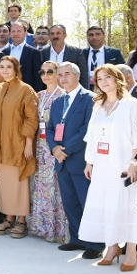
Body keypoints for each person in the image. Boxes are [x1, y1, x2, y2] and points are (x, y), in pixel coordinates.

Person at [78, 64, 137, 271]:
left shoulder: (131, 104)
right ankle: (112, 247)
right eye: (99, 79)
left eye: (107, 77)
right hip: (101, 165)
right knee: (106, 206)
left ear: (117, 79)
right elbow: (91, 136)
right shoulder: (98, 105)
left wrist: (133, 163)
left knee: (127, 207)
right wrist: (90, 162)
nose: (103, 82)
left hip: (122, 164)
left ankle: (132, 251)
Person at [46, 62, 102, 259]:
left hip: (80, 160)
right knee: (69, 201)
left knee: (86, 201)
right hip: (61, 161)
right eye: (59, 74)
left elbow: (87, 129)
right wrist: (54, 149)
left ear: (78, 76)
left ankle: (94, 244)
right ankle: (77, 239)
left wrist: (65, 150)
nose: (63, 78)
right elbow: (50, 127)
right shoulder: (58, 101)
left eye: (67, 74)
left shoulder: (90, 99)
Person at [0, 56, 39, 239]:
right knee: (4, 185)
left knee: (19, 183)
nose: (4, 70)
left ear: (16, 69)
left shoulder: (25, 90)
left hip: (17, 144)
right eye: (1, 67)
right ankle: (8, 218)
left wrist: (28, 143)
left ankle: (21, 221)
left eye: (8, 67)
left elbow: (31, 119)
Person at [28, 61, 69, 243]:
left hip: (56, 146)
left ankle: (60, 230)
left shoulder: (64, 95)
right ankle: (43, 227)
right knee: (42, 186)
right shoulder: (39, 95)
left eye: (50, 71)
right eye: (42, 71)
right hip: (40, 146)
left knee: (57, 187)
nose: (46, 74)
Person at [82, 25, 125, 90]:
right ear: (87, 37)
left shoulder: (115, 53)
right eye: (91, 35)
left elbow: (122, 72)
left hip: (109, 90)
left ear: (104, 35)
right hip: (86, 92)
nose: (94, 37)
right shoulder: (81, 53)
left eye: (98, 34)